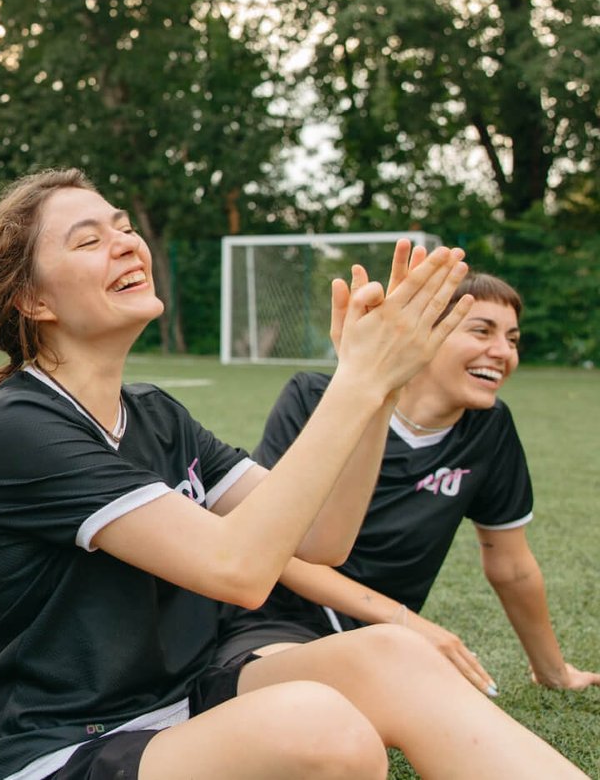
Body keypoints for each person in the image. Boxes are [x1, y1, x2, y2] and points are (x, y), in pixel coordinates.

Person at [0, 168, 584, 780]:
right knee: (324, 731)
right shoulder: (20, 426)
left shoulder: (157, 413)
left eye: (124, 227)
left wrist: (377, 391)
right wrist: (356, 385)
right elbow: (238, 569)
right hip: (63, 749)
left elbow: (322, 540)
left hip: (181, 701)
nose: (126, 243)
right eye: (89, 240)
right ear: (32, 300)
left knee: (395, 656)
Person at [215, 272, 600, 694]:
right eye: (481, 331)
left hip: (380, 640)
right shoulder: (315, 398)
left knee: (405, 704)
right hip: (270, 620)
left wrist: (554, 671)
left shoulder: (488, 429)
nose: (502, 351)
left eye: (512, 339)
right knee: (311, 704)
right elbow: (275, 548)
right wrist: (404, 620)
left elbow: (511, 565)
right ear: (422, 335)